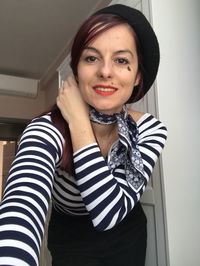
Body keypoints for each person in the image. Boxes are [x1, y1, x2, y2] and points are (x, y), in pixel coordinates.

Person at [0, 4, 167, 266]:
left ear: (137, 77)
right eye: (91, 58)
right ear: (77, 70)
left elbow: (109, 213)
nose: (105, 71)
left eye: (121, 60)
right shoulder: (46, 129)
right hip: (70, 235)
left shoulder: (150, 130)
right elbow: (21, 206)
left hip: (127, 230)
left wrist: (79, 122)